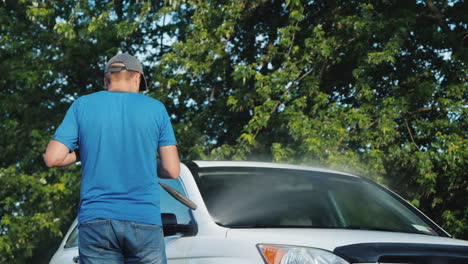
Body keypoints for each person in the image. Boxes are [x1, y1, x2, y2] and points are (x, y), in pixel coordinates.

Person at [44, 53, 180, 264]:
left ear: (106, 81)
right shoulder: (156, 109)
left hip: (96, 220)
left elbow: (53, 158)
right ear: (137, 79)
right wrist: (146, 164)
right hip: (144, 219)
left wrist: (85, 150)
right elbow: (172, 170)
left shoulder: (83, 105)